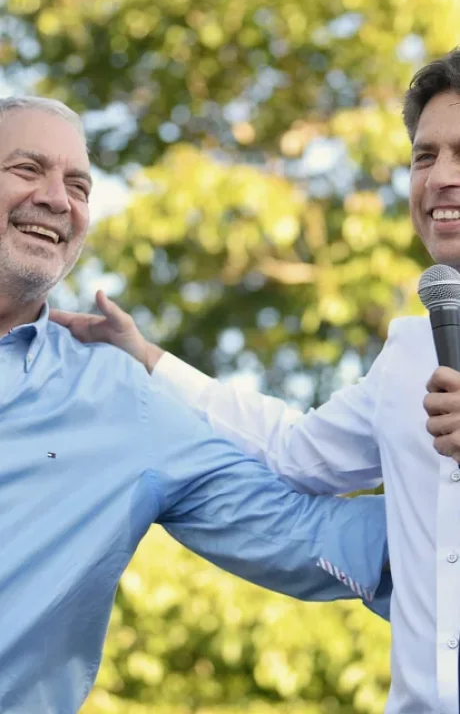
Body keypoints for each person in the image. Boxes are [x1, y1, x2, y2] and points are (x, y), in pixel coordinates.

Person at [54, 47, 460, 714]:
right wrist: (147, 358)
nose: (440, 178)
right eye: (425, 156)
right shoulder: (409, 350)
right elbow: (293, 453)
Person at [0, 95, 390, 714]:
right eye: (26, 169)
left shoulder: (119, 398)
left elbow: (314, 537)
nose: (57, 198)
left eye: (79, 184)